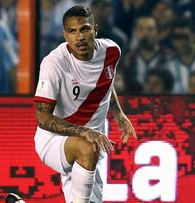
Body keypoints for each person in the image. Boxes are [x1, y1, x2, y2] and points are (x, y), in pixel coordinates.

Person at [34, 6, 136, 203]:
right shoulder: (54, 64)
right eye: (72, 31)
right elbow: (42, 118)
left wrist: (119, 114)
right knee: (87, 147)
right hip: (54, 140)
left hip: (91, 144)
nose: (79, 37)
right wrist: (84, 132)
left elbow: (107, 80)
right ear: (65, 35)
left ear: (95, 30)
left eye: (84, 29)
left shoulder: (112, 51)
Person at [122, 16, 169, 93]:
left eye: (150, 29)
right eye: (140, 29)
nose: (145, 33)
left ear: (157, 32)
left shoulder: (168, 57)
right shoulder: (128, 58)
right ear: (135, 32)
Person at [166, 17, 195, 93]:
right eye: (178, 37)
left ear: (194, 36)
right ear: (172, 40)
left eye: (185, 37)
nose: (182, 41)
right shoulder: (169, 65)